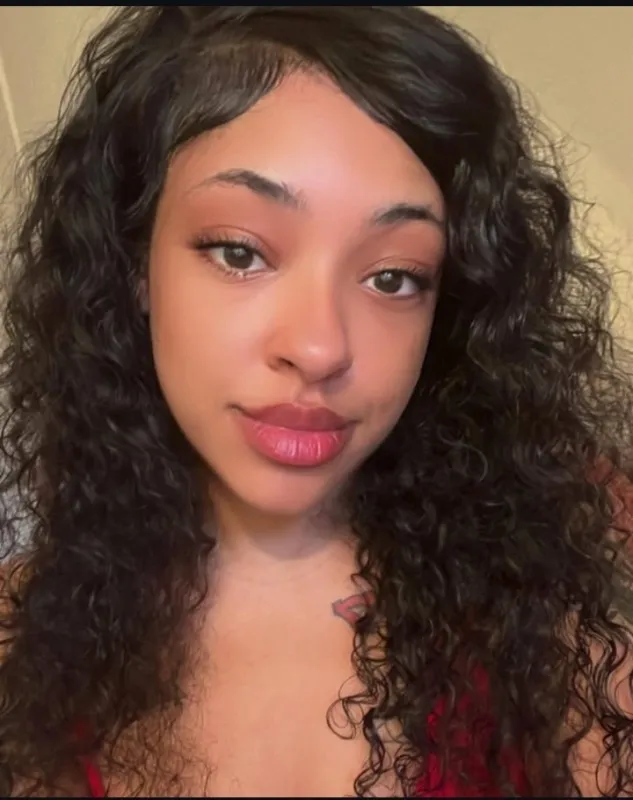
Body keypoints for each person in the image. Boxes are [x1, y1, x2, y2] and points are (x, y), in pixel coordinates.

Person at [0, 5, 632, 797]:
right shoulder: (21, 649)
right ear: (133, 268)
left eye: (393, 277)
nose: (320, 347)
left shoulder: (561, 665)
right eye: (240, 252)